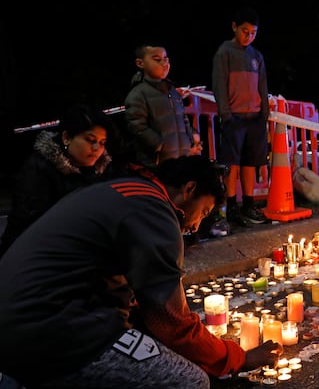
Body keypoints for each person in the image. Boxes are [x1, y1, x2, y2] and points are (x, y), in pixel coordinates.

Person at [0, 156, 281, 388]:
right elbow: (172, 324)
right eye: (204, 212)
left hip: (20, 318)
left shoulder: (125, 189)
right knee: (190, 381)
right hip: (52, 331)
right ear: (190, 189)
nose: (196, 226)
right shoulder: (156, 214)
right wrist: (237, 358)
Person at [0, 104, 115, 257]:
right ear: (66, 138)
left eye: (102, 142)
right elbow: (30, 225)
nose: (97, 148)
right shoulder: (39, 169)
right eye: (90, 140)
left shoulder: (101, 168)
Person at [212, 8, 270, 227]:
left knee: (250, 164)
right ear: (234, 27)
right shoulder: (224, 52)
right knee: (232, 165)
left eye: (253, 32)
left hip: (255, 118)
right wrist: (226, 114)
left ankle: (248, 205)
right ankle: (229, 209)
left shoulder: (257, 56)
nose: (249, 36)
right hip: (233, 118)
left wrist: (264, 112)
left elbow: (262, 85)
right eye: (245, 31)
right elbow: (219, 84)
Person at [124, 44, 202, 167]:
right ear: (140, 63)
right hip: (157, 162)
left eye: (165, 59)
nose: (164, 63)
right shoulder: (138, 93)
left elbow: (182, 117)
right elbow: (136, 125)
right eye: (157, 59)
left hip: (181, 156)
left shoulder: (172, 91)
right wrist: (158, 145)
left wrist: (190, 137)